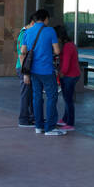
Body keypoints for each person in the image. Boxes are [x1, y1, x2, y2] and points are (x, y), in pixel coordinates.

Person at [20, 8, 64, 136]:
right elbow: (57, 51)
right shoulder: (50, 31)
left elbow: (23, 51)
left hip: (33, 70)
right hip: (46, 70)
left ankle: (38, 126)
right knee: (52, 96)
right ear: (45, 19)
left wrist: (25, 73)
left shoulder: (27, 32)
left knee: (37, 97)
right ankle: (50, 128)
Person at [54, 25, 80, 131]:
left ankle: (70, 123)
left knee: (68, 99)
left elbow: (66, 63)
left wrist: (61, 73)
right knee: (66, 98)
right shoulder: (67, 45)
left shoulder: (68, 46)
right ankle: (65, 119)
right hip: (70, 75)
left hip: (70, 76)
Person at [16, 12, 37, 128]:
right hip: (23, 69)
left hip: (24, 68)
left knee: (29, 94)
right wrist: (26, 74)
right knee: (25, 94)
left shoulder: (24, 33)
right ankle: (23, 119)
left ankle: (32, 117)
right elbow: (21, 54)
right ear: (32, 23)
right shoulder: (24, 34)